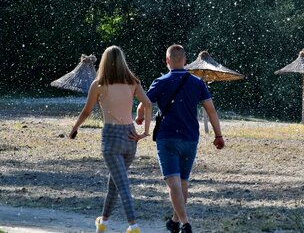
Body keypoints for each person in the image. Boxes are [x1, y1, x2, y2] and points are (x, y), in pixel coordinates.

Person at [136, 44, 224, 233]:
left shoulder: (160, 82)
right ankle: (175, 223)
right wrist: (218, 135)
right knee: (183, 183)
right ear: (185, 60)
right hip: (190, 139)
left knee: (174, 183)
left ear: (167, 61)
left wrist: (140, 117)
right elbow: (211, 110)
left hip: (167, 138)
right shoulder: (197, 83)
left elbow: (144, 105)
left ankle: (185, 224)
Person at [70, 45, 152, 233]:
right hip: (131, 137)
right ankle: (103, 222)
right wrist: (145, 132)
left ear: (104, 62)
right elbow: (147, 104)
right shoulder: (132, 81)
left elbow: (87, 111)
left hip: (111, 138)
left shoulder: (99, 83)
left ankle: (133, 226)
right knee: (115, 183)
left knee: (122, 185)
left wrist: (75, 128)